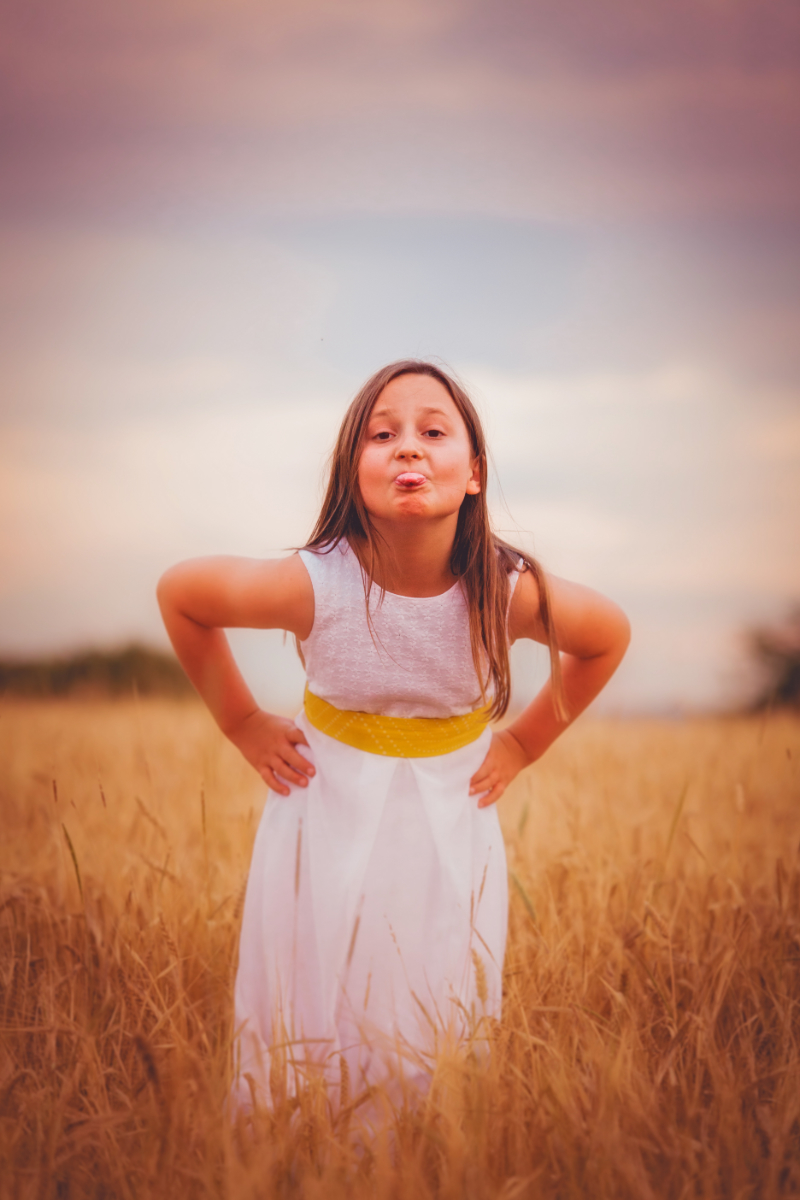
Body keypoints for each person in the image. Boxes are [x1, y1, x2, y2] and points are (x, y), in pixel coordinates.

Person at [157, 360, 630, 1117]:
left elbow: (606, 637)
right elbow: (182, 595)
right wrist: (242, 723)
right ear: (354, 472)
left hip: (449, 828)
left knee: (432, 1010)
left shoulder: (499, 592)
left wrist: (521, 744)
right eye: (383, 435)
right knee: (312, 1009)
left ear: (474, 473)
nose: (408, 447)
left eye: (433, 431)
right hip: (322, 819)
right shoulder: (316, 583)